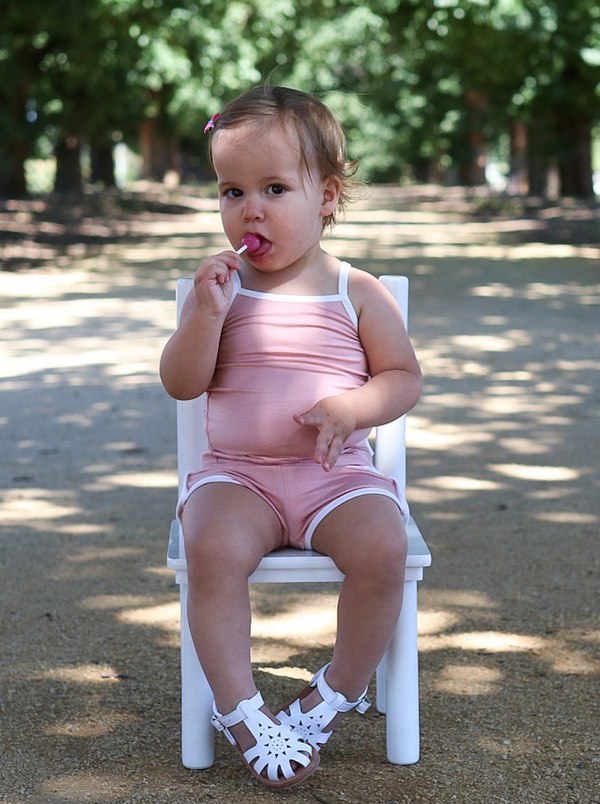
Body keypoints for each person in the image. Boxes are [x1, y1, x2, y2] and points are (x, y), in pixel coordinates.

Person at [160, 85, 422, 789]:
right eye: (231, 190)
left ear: (328, 196)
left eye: (275, 187)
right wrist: (204, 317)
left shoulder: (358, 291)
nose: (250, 208)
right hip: (238, 477)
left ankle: (332, 693)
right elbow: (182, 383)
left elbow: (403, 376)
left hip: (334, 476)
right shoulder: (221, 291)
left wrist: (355, 405)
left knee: (384, 547)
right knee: (209, 546)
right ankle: (241, 710)